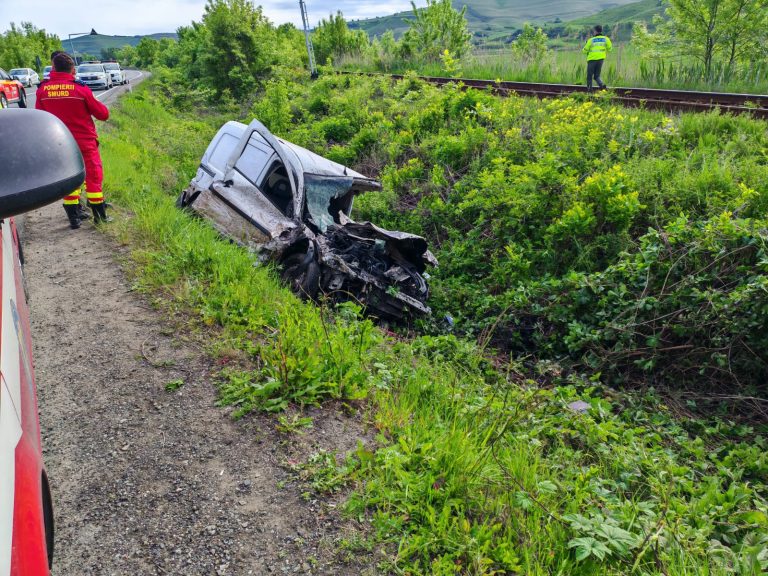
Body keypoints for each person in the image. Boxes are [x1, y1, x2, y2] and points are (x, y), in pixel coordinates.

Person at [35, 52, 110, 228]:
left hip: (60, 143)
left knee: (70, 177)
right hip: (85, 142)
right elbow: (103, 114)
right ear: (72, 70)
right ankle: (100, 218)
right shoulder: (80, 89)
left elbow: (40, 118)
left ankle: (74, 218)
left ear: (53, 68)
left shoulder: (43, 90)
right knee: (93, 176)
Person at [582, 25, 612, 91]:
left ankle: (589, 90)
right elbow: (610, 49)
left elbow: (584, 51)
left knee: (589, 76)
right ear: (601, 30)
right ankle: (602, 85)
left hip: (592, 60)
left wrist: (586, 44)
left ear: (595, 31)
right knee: (597, 76)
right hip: (601, 59)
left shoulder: (591, 40)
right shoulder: (606, 39)